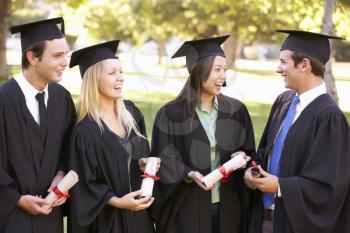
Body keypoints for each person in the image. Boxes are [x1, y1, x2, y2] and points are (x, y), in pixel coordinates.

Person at [244, 30, 350, 233]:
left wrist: (280, 187)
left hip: (295, 225)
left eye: (283, 62)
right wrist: (253, 168)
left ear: (304, 65)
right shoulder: (283, 102)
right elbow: (266, 150)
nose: (278, 68)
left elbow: (328, 186)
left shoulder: (329, 118)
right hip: (264, 221)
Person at [150, 36, 256, 233]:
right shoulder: (170, 114)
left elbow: (249, 152)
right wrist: (188, 173)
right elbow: (162, 159)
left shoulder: (235, 110)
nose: (223, 75)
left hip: (229, 210)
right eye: (217, 69)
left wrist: (241, 157)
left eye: (225, 69)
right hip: (187, 211)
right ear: (199, 70)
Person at [68, 40, 158, 233]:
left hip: (140, 217)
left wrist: (144, 162)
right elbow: (83, 184)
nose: (120, 78)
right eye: (112, 73)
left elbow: (141, 155)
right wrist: (118, 202)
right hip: (109, 221)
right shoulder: (85, 132)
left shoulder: (132, 114)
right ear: (94, 80)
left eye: (121, 71)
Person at [0, 17, 76, 233]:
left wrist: (62, 175)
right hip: (9, 218)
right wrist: (15, 199)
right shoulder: (3, 101)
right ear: (32, 57)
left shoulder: (62, 98)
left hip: (49, 216)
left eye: (66, 55)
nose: (65, 63)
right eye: (58, 56)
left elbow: (68, 146)